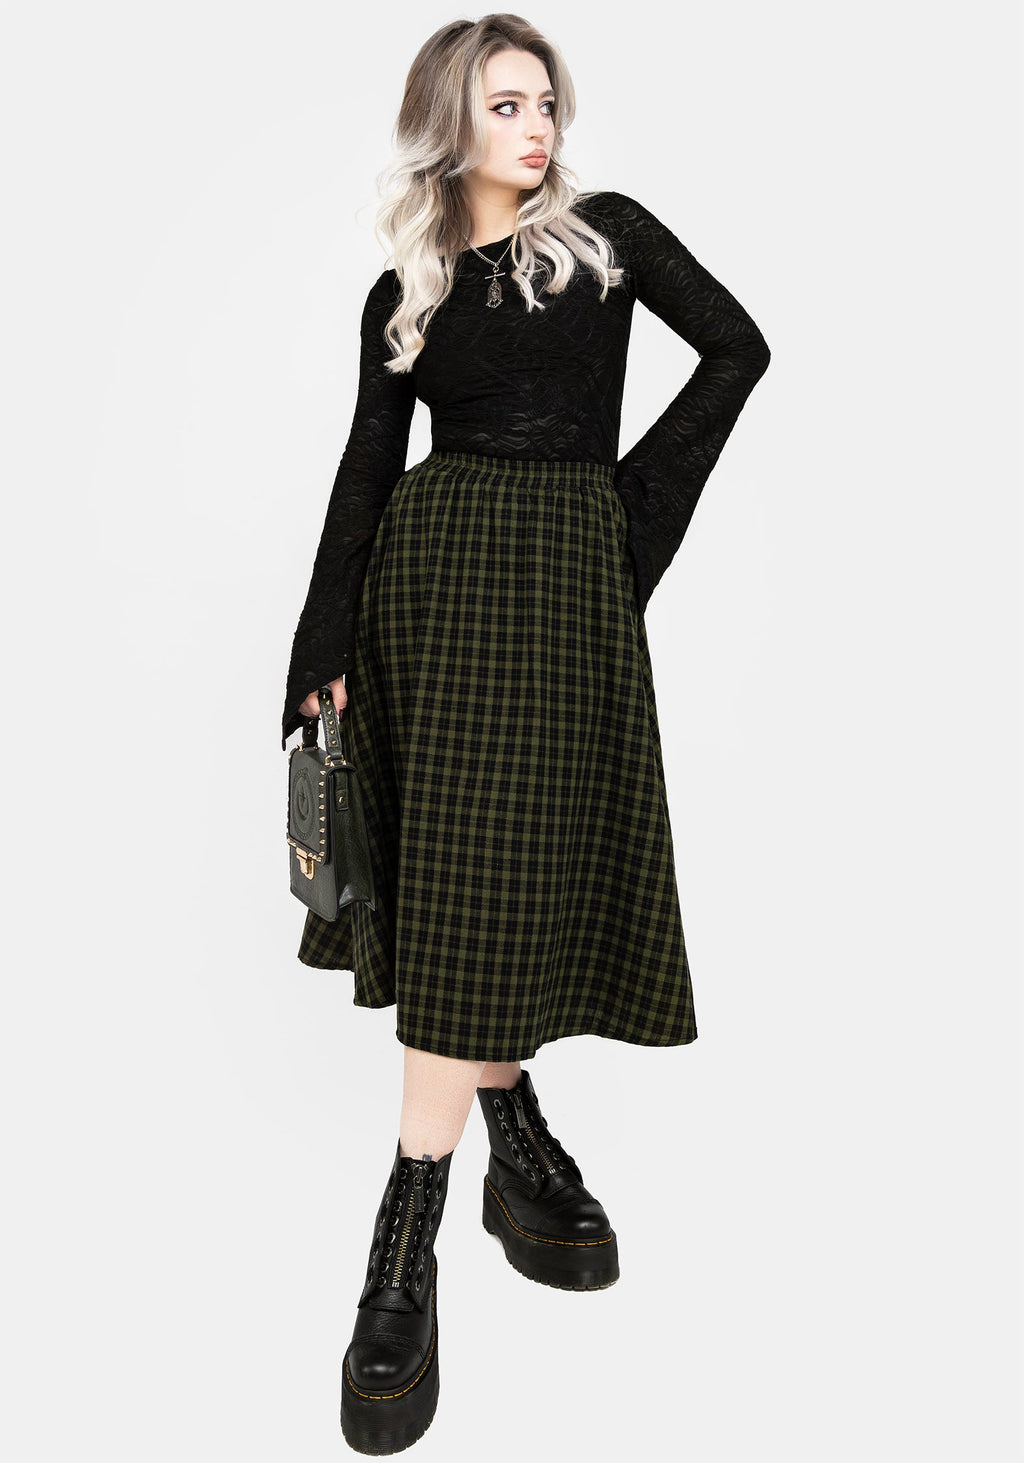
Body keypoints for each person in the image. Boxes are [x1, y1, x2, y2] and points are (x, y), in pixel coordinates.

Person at [281, 13, 770, 1454]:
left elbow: (738, 351)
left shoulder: (609, 241)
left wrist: (629, 524)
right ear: (451, 121)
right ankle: (423, 1222)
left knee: (505, 879)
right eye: (506, 105)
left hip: (560, 595)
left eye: (546, 102)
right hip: (430, 597)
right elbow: (368, 467)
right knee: (461, 888)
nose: (538, 126)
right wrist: (318, 652)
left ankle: (480, 1165)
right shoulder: (409, 289)